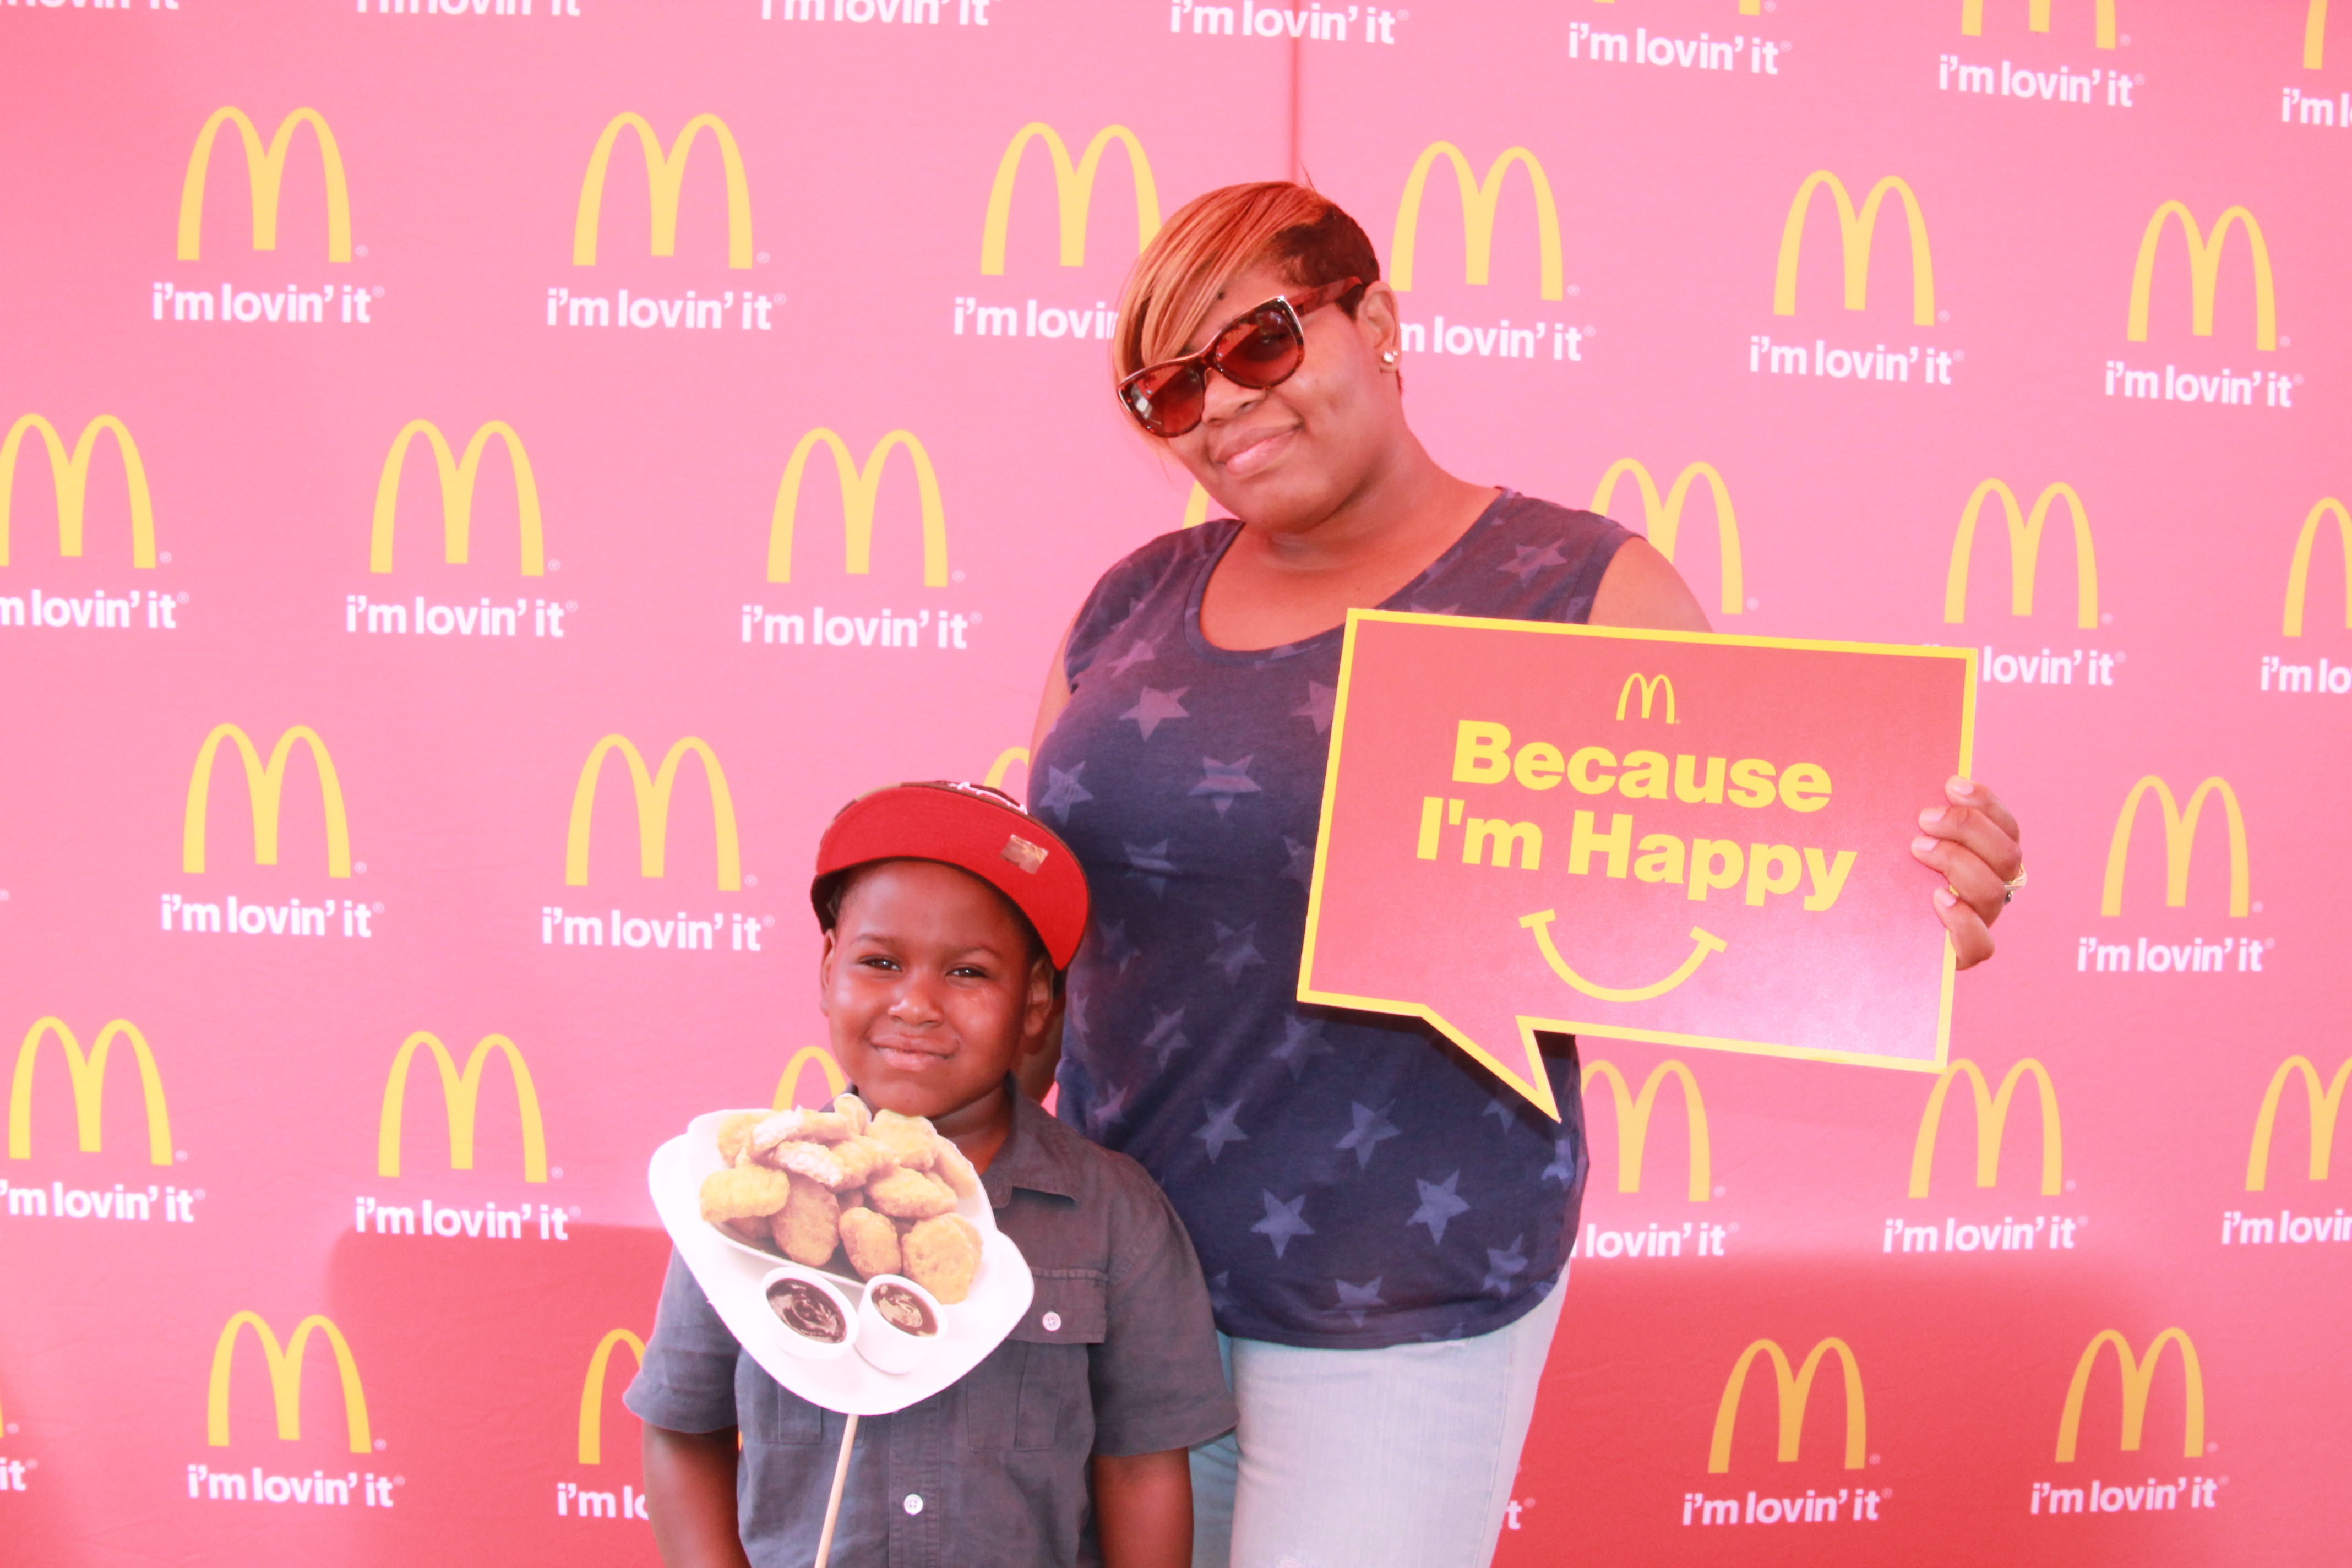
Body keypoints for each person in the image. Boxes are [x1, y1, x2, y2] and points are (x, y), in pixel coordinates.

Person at [1024, 183, 2025, 1568]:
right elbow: (1036, 927)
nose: (1225, 406)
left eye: (1258, 342)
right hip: (1117, 1284)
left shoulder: (1576, 586)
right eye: (1171, 389)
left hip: (1396, 1303)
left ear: (1379, 321)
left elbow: (1749, 883)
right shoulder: (1131, 598)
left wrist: (1905, 908)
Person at [628, 781, 1240, 1568]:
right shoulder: (751, 1193)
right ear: (828, 970)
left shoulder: (1113, 1213)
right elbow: (683, 1429)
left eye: (969, 973)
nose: (916, 1005)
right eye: (880, 962)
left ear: (1036, 1002)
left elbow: (1140, 1468)